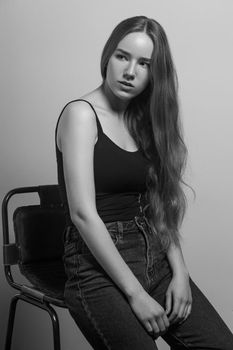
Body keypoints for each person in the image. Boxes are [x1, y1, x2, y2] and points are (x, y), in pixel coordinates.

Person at [55, 15, 233, 350]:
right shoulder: (81, 114)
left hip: (154, 255)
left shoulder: (144, 121)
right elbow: (82, 214)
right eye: (122, 56)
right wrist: (135, 294)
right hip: (96, 266)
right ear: (108, 56)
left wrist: (180, 274)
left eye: (144, 63)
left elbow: (159, 204)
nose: (129, 71)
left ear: (155, 73)